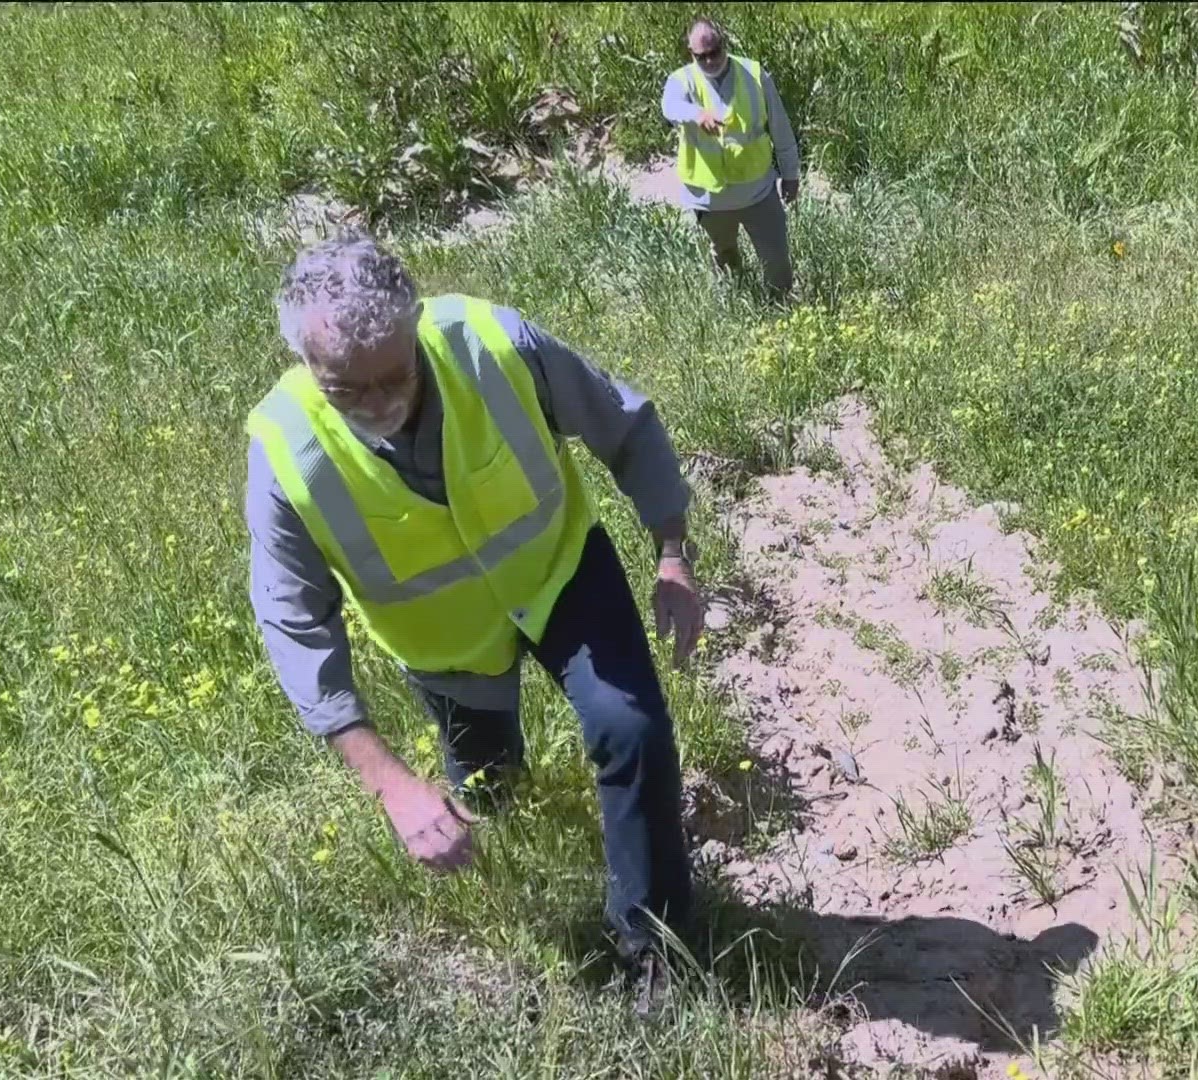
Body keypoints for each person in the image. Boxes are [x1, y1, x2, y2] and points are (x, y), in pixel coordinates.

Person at [243, 234, 704, 1012]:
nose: (380, 402)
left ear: (419, 323)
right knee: (488, 790)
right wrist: (390, 786)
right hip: (448, 645)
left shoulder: (496, 344)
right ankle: (521, 911)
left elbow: (622, 424)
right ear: (305, 365)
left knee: (632, 730)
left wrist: (673, 552)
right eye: (346, 389)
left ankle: (653, 946)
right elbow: (295, 624)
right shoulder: (286, 453)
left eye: (395, 376)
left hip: (558, 573)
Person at [661, 17, 801, 300]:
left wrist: (791, 175)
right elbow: (669, 106)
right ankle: (738, 302)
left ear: (724, 44)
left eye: (715, 52)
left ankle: (781, 308)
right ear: (691, 53)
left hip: (758, 192)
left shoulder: (755, 75)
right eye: (702, 57)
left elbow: (781, 129)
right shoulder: (682, 80)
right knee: (724, 256)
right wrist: (697, 114)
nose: (710, 61)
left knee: (777, 262)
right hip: (710, 199)